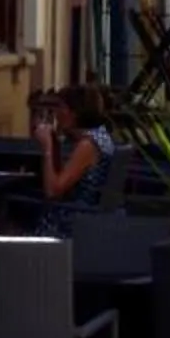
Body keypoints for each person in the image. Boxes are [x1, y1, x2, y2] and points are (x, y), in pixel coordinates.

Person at [33, 83, 115, 234]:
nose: (56, 114)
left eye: (60, 108)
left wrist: (47, 147)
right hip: (88, 215)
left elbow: (53, 191)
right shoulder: (101, 135)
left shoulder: (88, 146)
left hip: (72, 221)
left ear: (74, 113)